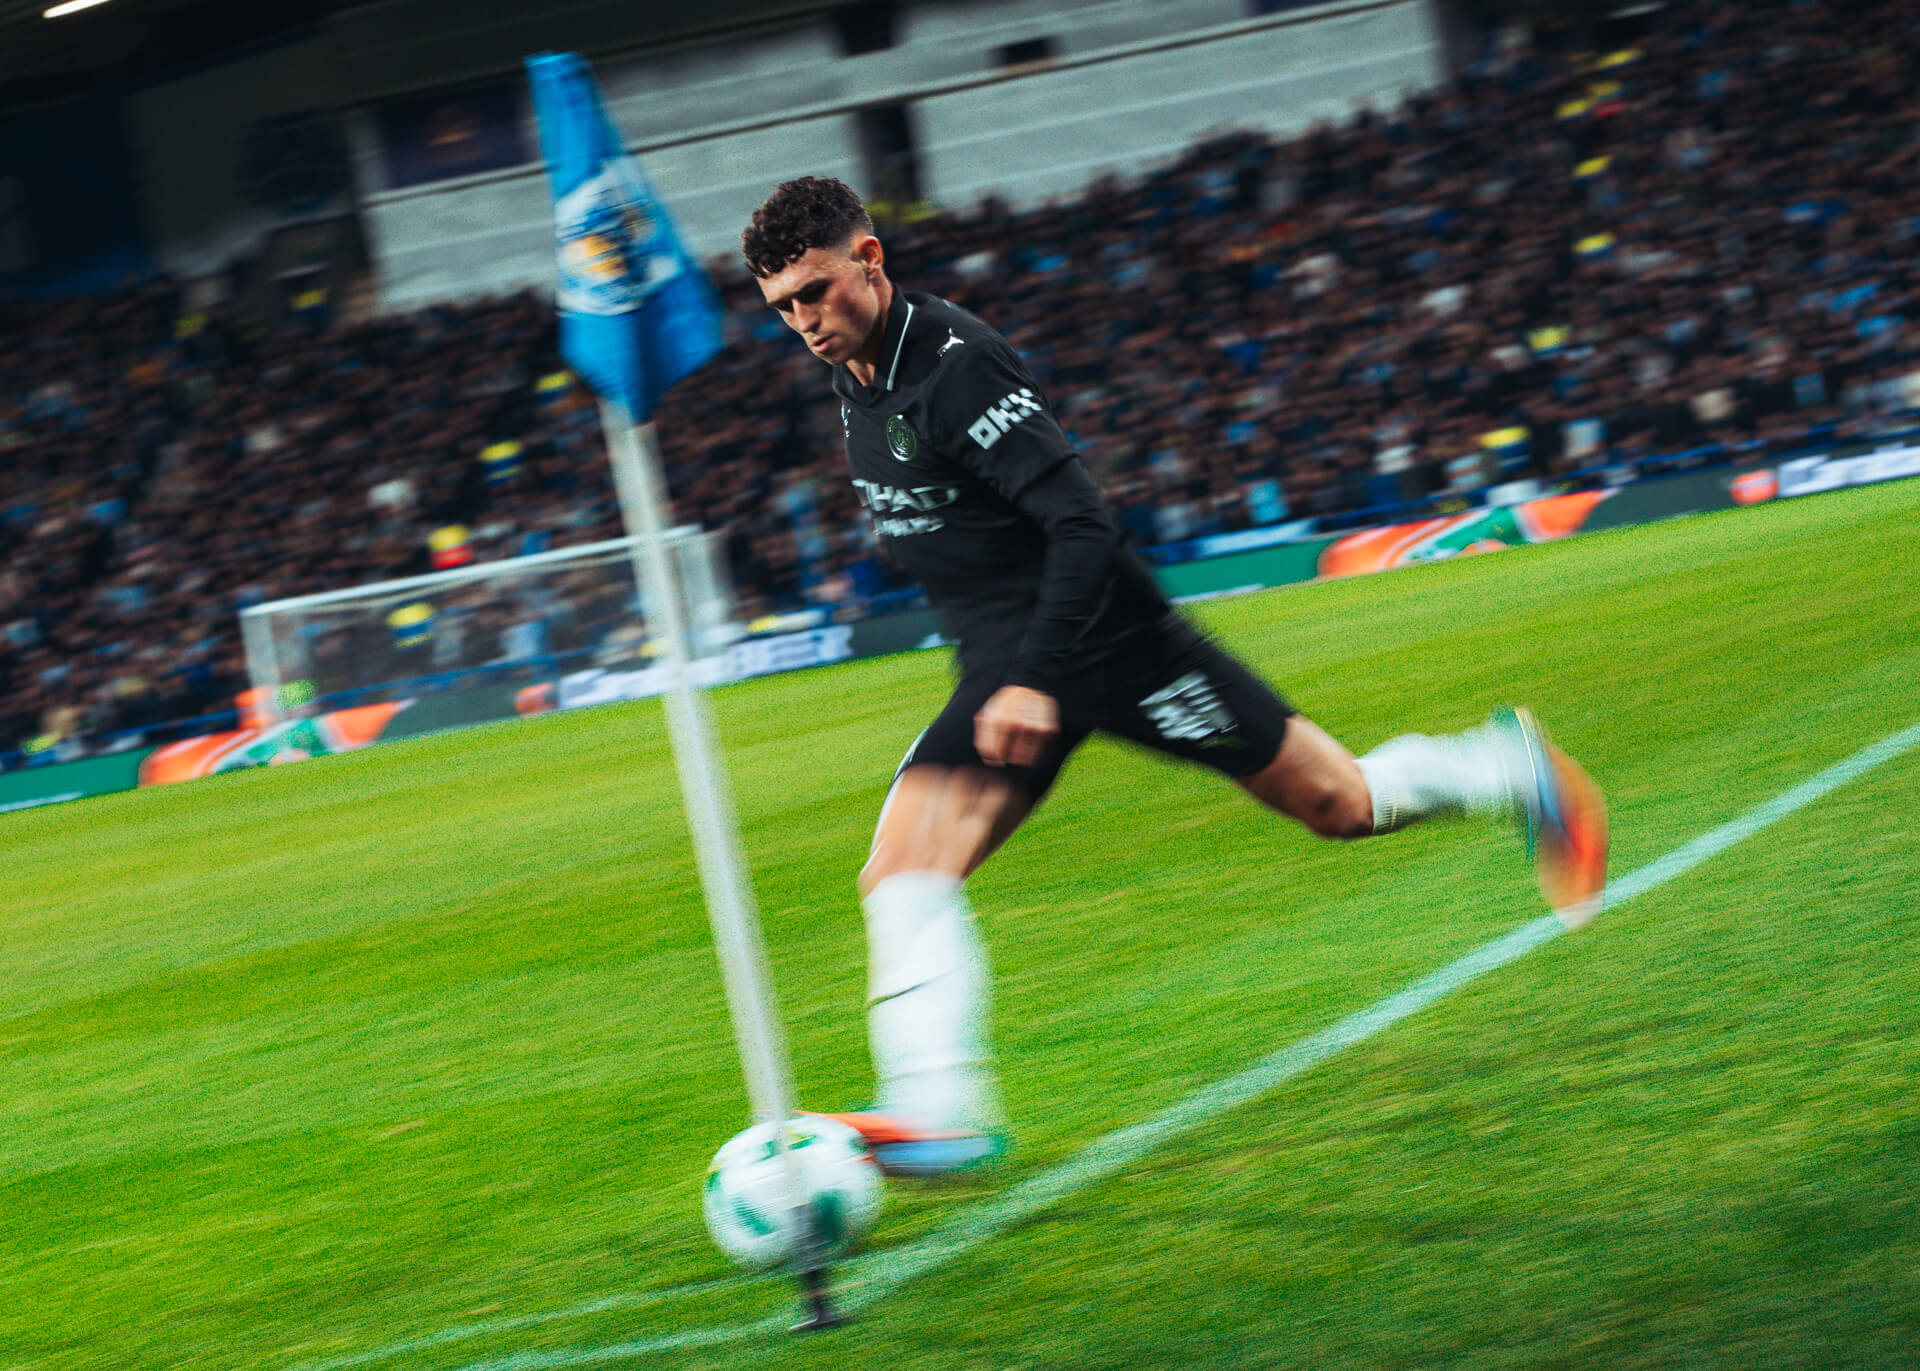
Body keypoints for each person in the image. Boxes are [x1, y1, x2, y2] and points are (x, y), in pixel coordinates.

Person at [742, 177, 1607, 1177]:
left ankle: (1507, 769)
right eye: (784, 308)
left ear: (871, 258)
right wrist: (1015, 675)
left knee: (1341, 804)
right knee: (901, 872)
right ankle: (938, 1107)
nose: (805, 320)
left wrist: (1036, 674)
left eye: (816, 290)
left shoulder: (955, 367)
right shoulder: (855, 377)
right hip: (1007, 670)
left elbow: (1081, 524)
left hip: (1107, 648)